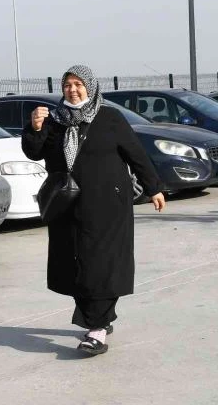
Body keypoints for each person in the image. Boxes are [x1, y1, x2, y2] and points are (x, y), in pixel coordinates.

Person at [21, 65, 165, 356]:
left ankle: (96, 329)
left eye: (78, 84)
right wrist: (34, 128)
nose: (72, 90)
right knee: (74, 264)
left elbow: (136, 154)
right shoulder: (54, 120)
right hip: (66, 205)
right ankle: (99, 318)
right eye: (67, 85)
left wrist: (154, 188)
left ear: (90, 86)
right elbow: (34, 152)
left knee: (102, 264)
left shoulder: (109, 117)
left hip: (107, 205)